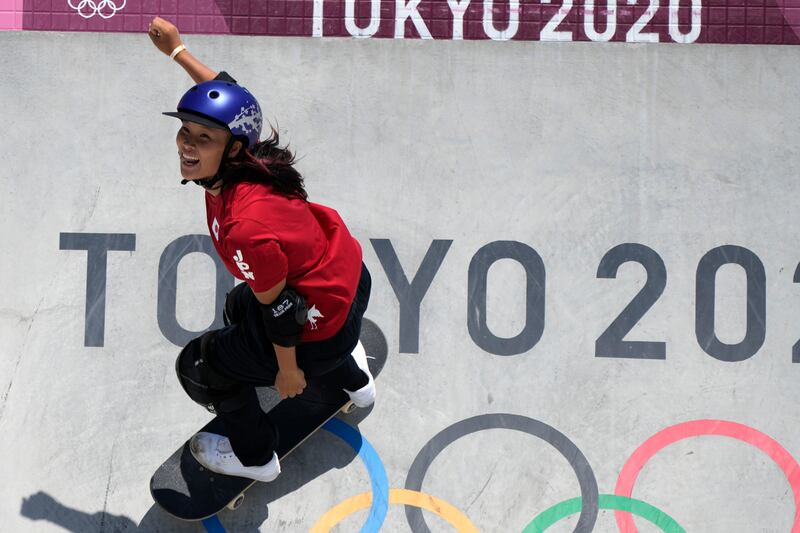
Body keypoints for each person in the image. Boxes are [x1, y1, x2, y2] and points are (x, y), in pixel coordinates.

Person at [147, 17, 376, 482]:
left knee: (200, 366)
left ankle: (255, 459)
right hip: (346, 281)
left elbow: (283, 309)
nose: (188, 145)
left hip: (317, 323)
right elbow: (233, 101)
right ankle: (353, 378)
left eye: (203, 139)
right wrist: (176, 50)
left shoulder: (245, 225)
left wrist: (289, 373)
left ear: (232, 149)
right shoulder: (254, 156)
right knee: (238, 303)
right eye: (185, 132)